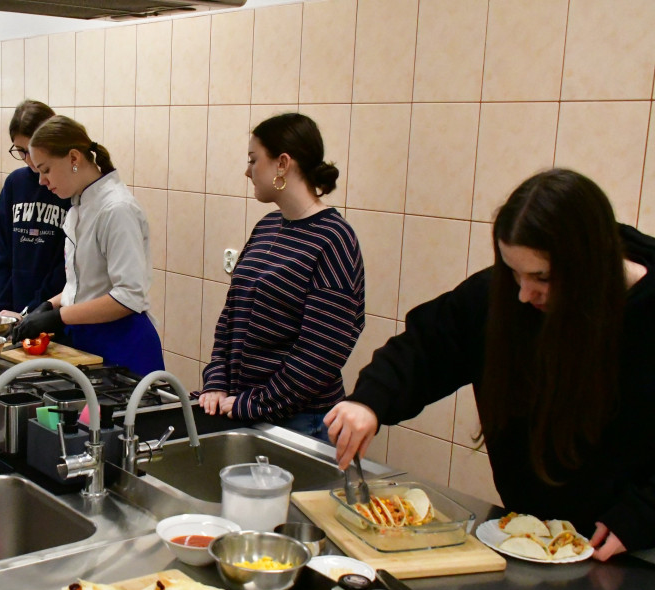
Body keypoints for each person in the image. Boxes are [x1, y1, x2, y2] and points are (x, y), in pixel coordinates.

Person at [325, 168, 655, 562]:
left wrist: (640, 516)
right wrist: (370, 401)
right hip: (528, 532)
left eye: (542, 277)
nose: (523, 293)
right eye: (513, 272)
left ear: (591, 264)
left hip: (627, 548)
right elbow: (428, 345)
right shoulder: (502, 296)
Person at [198, 113, 365, 439]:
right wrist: (217, 381)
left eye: (253, 160)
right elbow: (231, 316)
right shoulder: (267, 226)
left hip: (301, 421)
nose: (247, 171)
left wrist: (256, 404)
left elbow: (321, 353)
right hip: (247, 408)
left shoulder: (334, 238)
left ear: (283, 163)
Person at [11, 115, 164, 376]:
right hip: (87, 339)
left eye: (45, 170)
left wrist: (59, 317)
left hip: (123, 343)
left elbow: (128, 296)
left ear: (73, 158)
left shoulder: (117, 209)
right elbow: (85, 286)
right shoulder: (79, 206)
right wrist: (49, 305)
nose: (42, 181)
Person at [0, 100, 70, 315]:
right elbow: (1, 255)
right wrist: (3, 309)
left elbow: (66, 266)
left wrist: (33, 312)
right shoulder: (15, 183)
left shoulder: (67, 188)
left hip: (54, 311)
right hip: (13, 309)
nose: (29, 160)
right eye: (21, 151)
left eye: (33, 150)